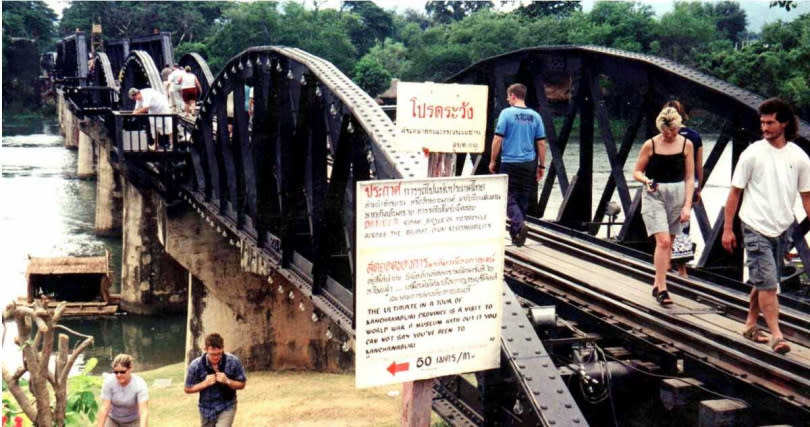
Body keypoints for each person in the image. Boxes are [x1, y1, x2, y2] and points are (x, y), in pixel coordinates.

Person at [722, 98, 810, 355]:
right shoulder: (752, 153)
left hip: (782, 227)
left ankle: (750, 325)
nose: (764, 127)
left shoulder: (799, 157)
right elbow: (735, 193)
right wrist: (728, 229)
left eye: (770, 122)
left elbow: (806, 197)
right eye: (762, 122)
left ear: (784, 123)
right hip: (754, 224)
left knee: (763, 279)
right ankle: (777, 335)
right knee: (769, 283)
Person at [633, 107, 695, 305]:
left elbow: (689, 177)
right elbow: (636, 171)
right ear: (661, 128)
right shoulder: (650, 145)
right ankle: (663, 289)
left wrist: (687, 206)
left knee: (671, 241)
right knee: (664, 242)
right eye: (667, 132)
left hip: (677, 194)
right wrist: (645, 181)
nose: (670, 135)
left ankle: (656, 283)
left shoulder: (687, 145)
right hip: (655, 194)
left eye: (674, 131)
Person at [488, 83, 546, 247]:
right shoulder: (536, 116)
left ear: (513, 96)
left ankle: (519, 225)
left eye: (508, 96)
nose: (507, 100)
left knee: (507, 197)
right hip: (529, 164)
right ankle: (516, 236)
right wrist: (542, 166)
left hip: (510, 162)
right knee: (522, 199)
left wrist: (493, 160)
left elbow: (498, 139)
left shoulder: (507, 114)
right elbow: (541, 144)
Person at [664, 99, 703, 277]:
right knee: (683, 226)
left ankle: (666, 264)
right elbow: (698, 166)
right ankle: (682, 269)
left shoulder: (664, 135)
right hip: (688, 185)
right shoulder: (694, 136)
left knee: (664, 224)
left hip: (668, 184)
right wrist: (698, 187)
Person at [185, 333, 246, 426]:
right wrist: (205, 384)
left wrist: (227, 381)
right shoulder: (196, 365)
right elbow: (187, 388)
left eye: (219, 354)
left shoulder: (233, 361)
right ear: (205, 350)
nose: (216, 357)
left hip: (227, 406)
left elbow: (242, 384)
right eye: (212, 354)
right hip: (206, 409)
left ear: (223, 349)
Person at [97, 354, 149, 427]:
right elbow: (105, 408)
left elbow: (143, 411)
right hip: (112, 419)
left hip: (133, 420)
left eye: (122, 372)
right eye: (116, 372)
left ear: (130, 368)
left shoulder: (139, 384)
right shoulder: (109, 382)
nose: (119, 375)